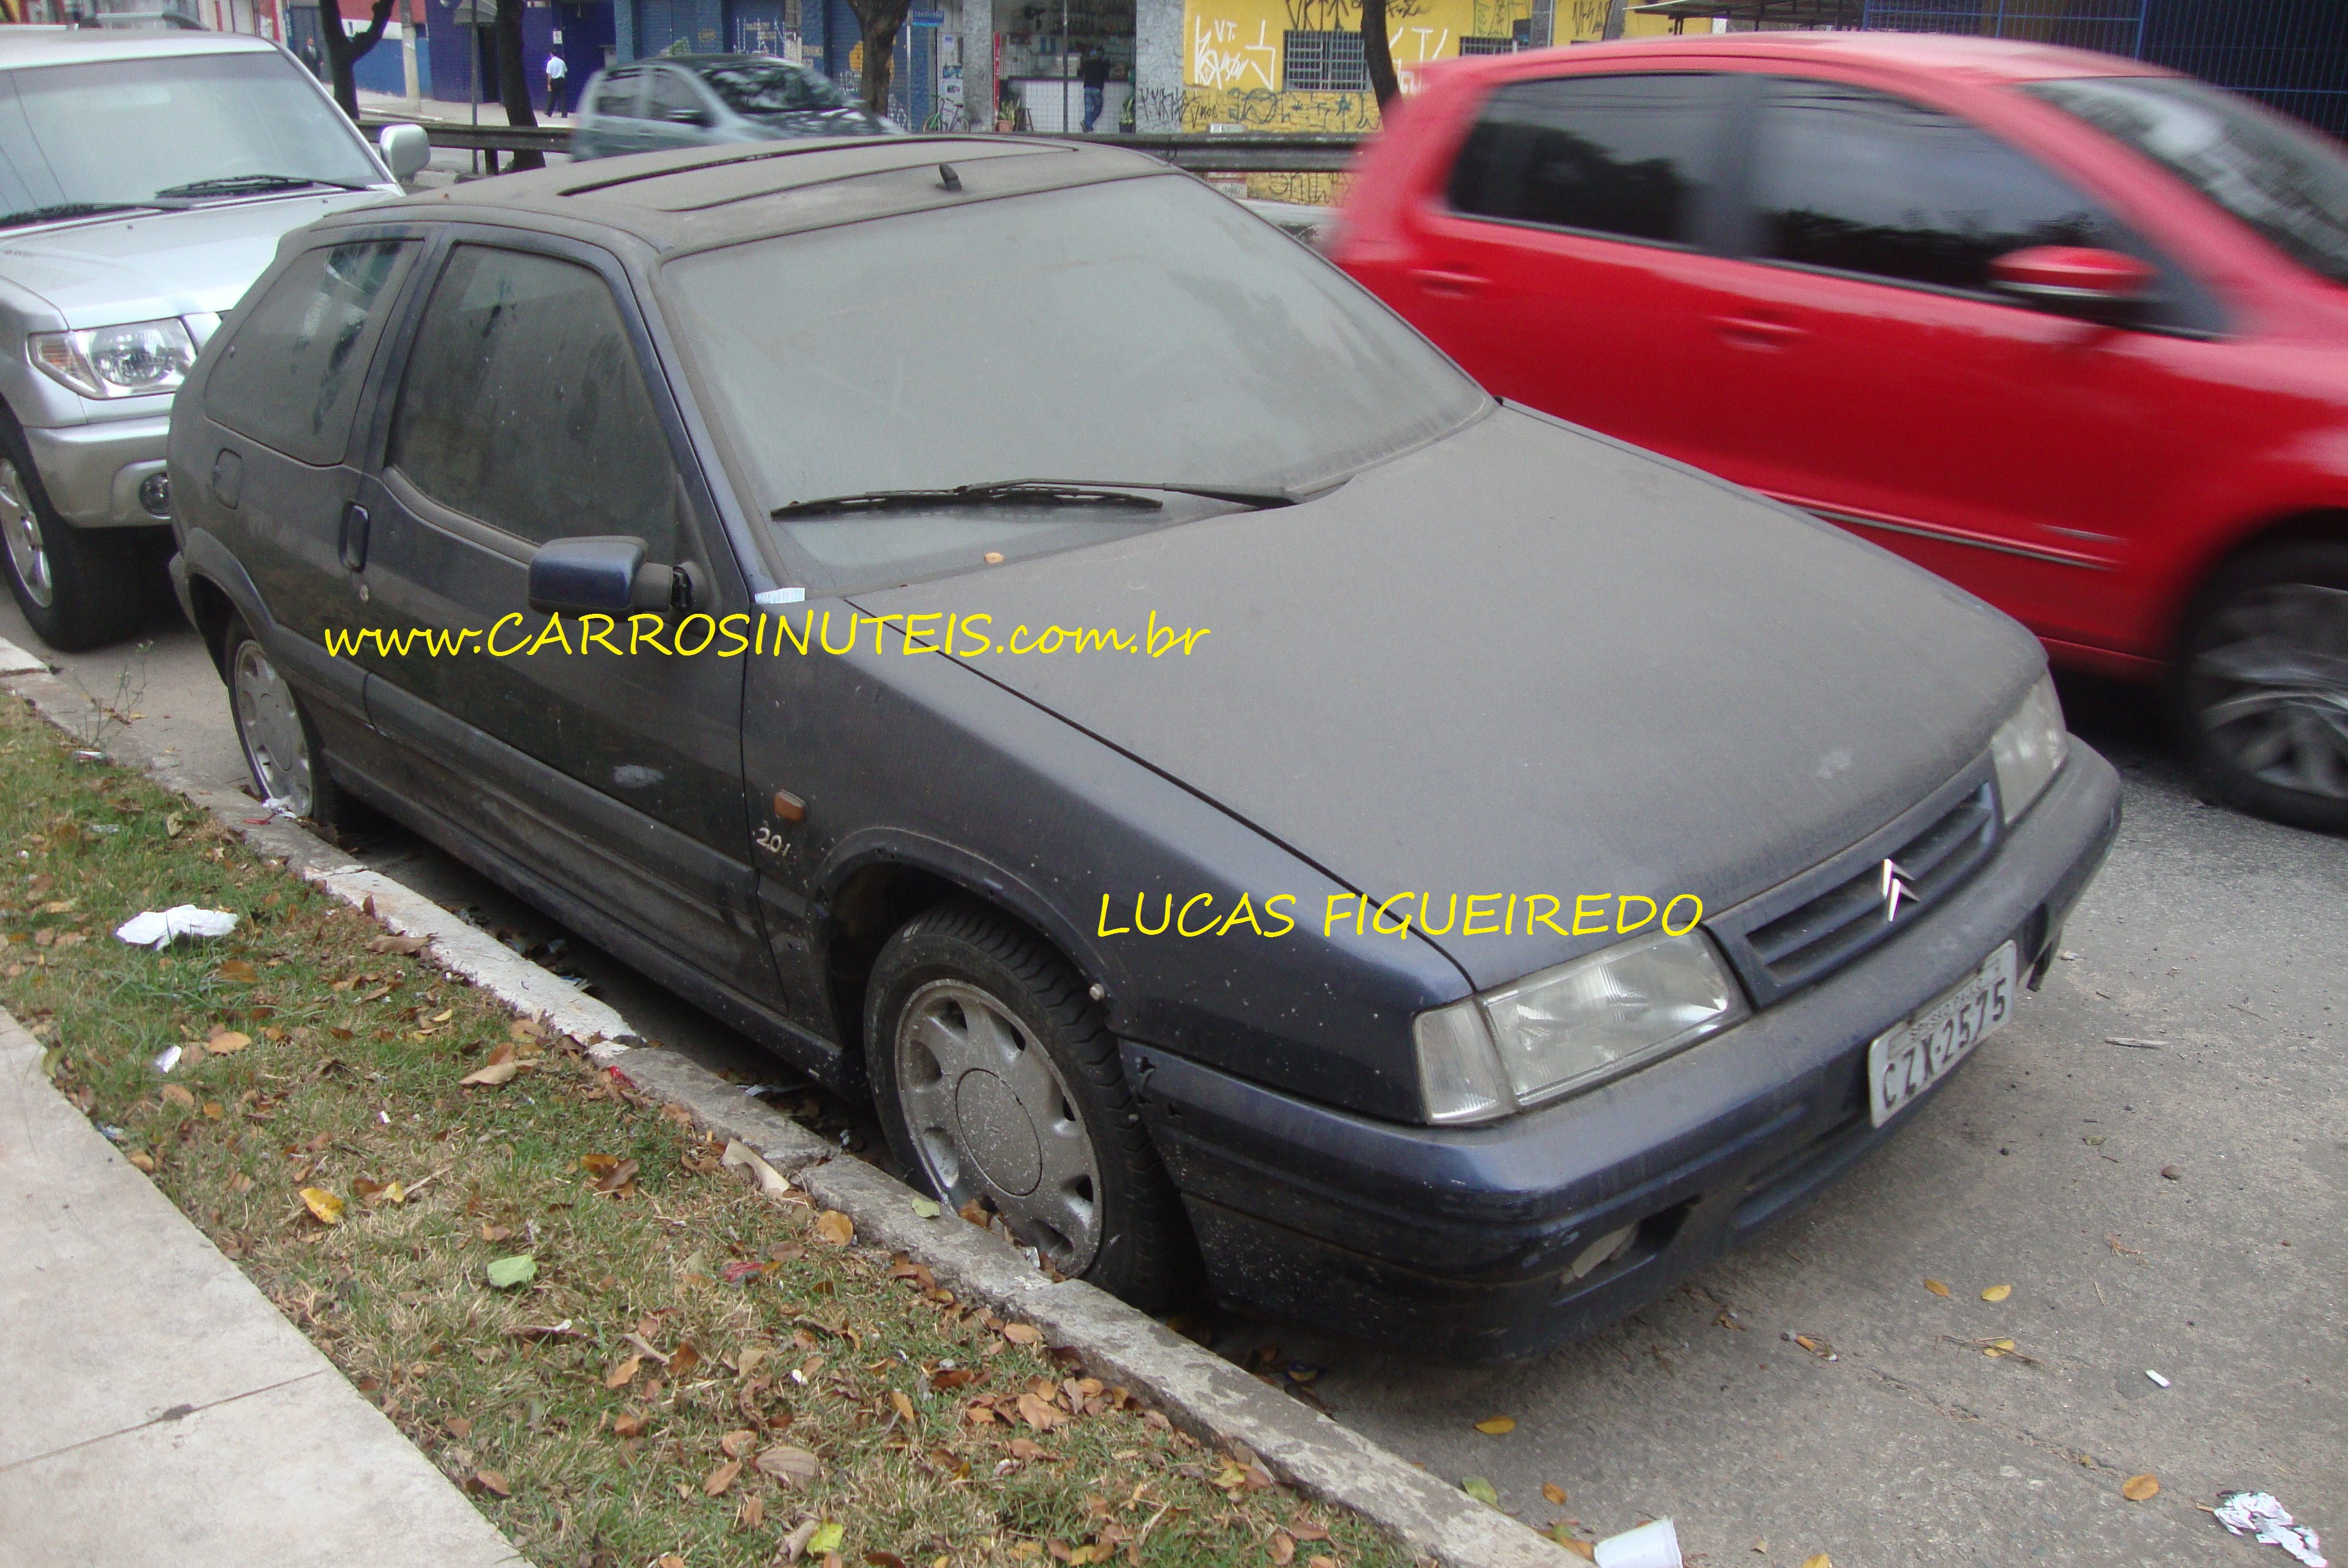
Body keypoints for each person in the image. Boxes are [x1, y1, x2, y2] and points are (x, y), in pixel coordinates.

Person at [1078, 45, 1109, 133]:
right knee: (1098, 108)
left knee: (1088, 109)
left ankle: (1088, 126)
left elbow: (1080, 73)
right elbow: (1106, 76)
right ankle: (1088, 126)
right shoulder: (1102, 64)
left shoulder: (1087, 64)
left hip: (1088, 88)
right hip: (1097, 89)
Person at [544, 49, 569, 116]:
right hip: (562, 80)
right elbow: (565, 71)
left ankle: (549, 112)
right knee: (563, 98)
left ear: (551, 54)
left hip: (554, 81)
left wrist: (549, 84)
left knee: (552, 97)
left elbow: (549, 75)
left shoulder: (550, 63)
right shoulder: (562, 62)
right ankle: (564, 114)